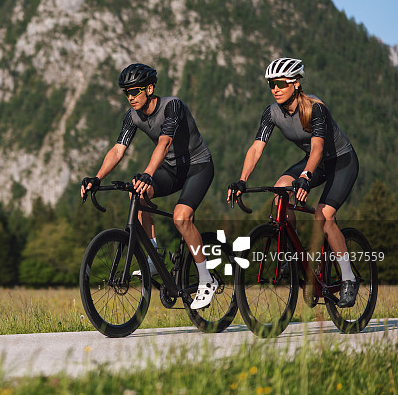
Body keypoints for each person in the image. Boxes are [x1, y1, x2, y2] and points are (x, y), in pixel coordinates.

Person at [80, 63, 217, 309]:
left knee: (181, 217)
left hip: (198, 166)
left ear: (150, 89)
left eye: (135, 91)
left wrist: (147, 173)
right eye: (126, 93)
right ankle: (153, 257)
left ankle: (207, 280)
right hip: (172, 170)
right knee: (138, 192)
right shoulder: (131, 117)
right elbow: (118, 150)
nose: (131, 97)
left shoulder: (172, 106)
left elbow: (164, 142)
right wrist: (97, 178)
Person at [227, 57, 359, 307]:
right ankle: (293, 250)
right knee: (280, 191)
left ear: (296, 84)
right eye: (271, 84)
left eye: (280, 83)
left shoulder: (315, 108)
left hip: (341, 161)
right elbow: (256, 148)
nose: (275, 89)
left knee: (323, 215)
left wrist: (306, 177)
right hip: (313, 161)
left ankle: (349, 279)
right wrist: (242, 180)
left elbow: (318, 148)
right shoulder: (272, 113)